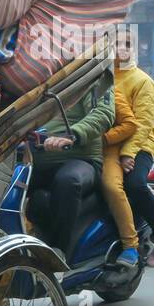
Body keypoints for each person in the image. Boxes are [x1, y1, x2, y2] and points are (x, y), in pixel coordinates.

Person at [100, 35, 154, 268]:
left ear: (136, 49)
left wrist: (128, 154)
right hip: (107, 144)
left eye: (128, 44)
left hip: (139, 145)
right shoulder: (103, 76)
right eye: (116, 44)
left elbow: (142, 125)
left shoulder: (143, 81)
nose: (121, 49)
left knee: (134, 184)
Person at [30, 79, 116, 260]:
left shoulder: (90, 77)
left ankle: (59, 252)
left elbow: (103, 114)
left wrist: (73, 135)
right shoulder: (32, 80)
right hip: (34, 161)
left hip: (80, 160)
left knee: (68, 181)